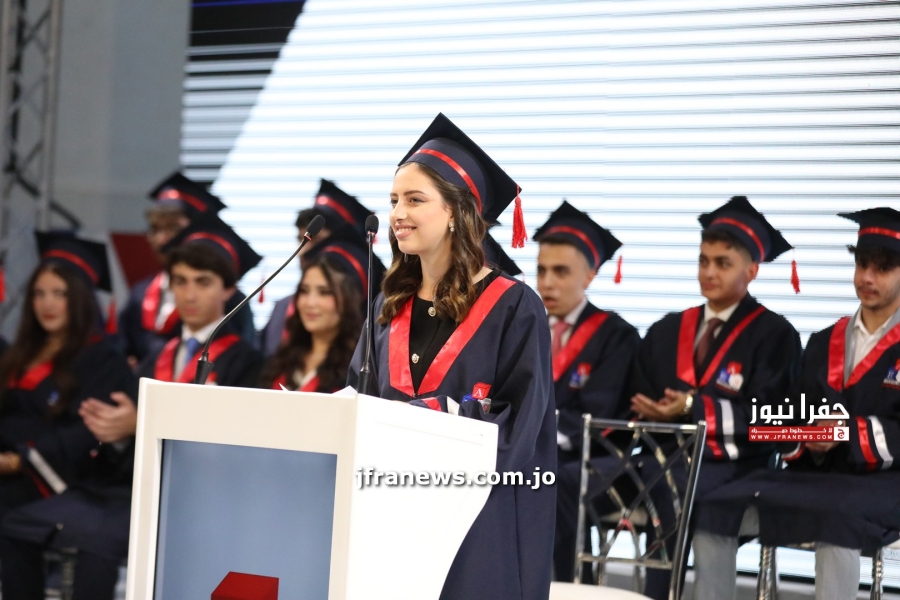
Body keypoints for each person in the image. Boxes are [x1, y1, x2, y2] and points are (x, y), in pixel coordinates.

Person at [346, 113, 556, 600]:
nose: (397, 213)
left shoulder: (514, 306)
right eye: (394, 200)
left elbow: (518, 427)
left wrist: (430, 418)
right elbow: (359, 398)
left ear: (458, 212)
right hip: (388, 512)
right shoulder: (388, 304)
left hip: (473, 523)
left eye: (415, 200)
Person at [596, 196, 803, 598]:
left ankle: (661, 592)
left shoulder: (775, 336)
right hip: (667, 460)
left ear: (752, 270)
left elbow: (772, 417)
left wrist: (692, 408)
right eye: (703, 261)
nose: (708, 272)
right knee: (590, 478)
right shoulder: (668, 330)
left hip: (738, 467)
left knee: (672, 484)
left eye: (722, 263)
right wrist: (655, 413)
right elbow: (641, 394)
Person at [692, 208, 900, 600]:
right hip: (816, 476)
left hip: (886, 482)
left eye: (883, 268)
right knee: (713, 508)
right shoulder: (824, 340)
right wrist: (803, 438)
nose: (867, 278)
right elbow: (792, 413)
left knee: (836, 518)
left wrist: (844, 434)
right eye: (862, 265)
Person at [0, 233, 138, 600]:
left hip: (53, 474)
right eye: (39, 293)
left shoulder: (102, 360)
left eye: (59, 294)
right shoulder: (18, 354)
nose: (47, 304)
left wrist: (18, 460)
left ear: (79, 298)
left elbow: (85, 432)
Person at [534, 201, 640, 582]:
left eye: (561, 271)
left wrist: (536, 432)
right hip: (534, 449)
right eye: (542, 270)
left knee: (553, 479)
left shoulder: (616, 336)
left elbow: (601, 411)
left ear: (590, 275)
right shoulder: (526, 327)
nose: (547, 282)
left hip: (593, 456)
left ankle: (569, 585)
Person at [117, 172, 254, 365]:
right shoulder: (140, 294)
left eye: (173, 228)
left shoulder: (231, 300)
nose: (162, 240)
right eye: (155, 229)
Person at [138, 218, 263, 387]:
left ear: (228, 290)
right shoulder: (156, 358)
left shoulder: (247, 362)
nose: (189, 296)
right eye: (180, 282)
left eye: (203, 283)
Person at [259, 179, 375, 357]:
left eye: (318, 241)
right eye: (301, 240)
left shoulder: (371, 316)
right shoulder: (282, 309)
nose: (303, 253)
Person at [262, 233, 384, 392]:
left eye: (325, 292)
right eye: (304, 291)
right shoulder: (281, 360)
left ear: (350, 301)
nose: (310, 303)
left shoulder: (360, 371)